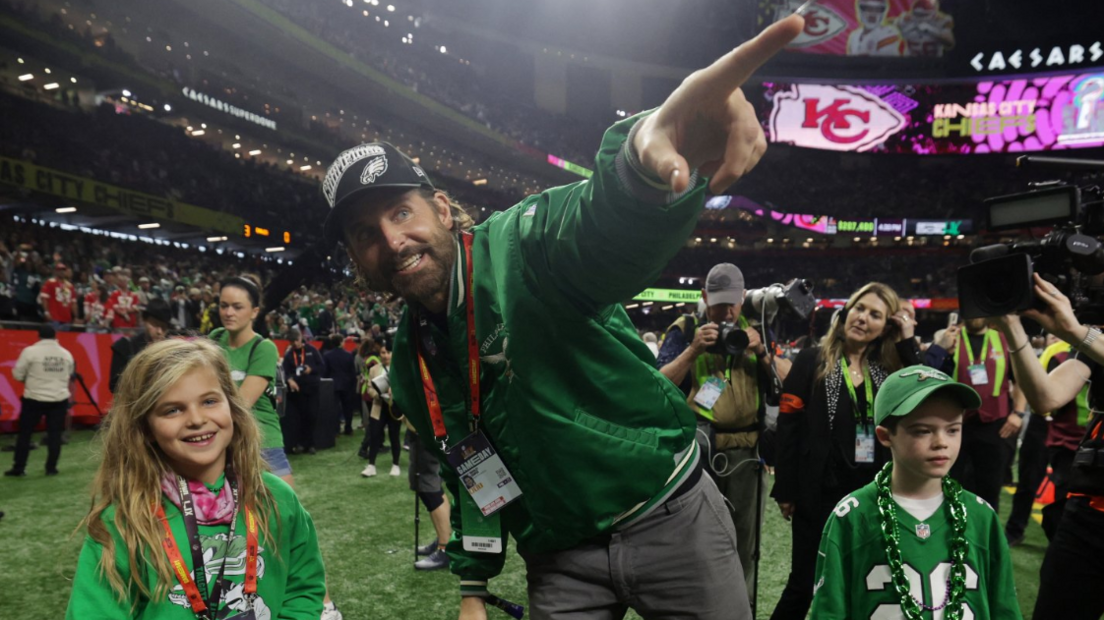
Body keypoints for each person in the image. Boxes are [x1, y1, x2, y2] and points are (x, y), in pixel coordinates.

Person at [320, 14, 807, 619]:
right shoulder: (409, 363)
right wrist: (473, 586)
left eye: (400, 212)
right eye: (365, 233)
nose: (391, 241)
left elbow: (597, 231)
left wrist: (643, 167)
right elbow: (469, 468)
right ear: (355, 258)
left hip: (669, 514)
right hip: (558, 559)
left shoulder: (522, 243)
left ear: (443, 210)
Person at [65, 339, 326, 618]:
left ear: (232, 407)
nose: (197, 419)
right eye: (172, 409)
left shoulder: (276, 497)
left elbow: (303, 589)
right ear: (145, 427)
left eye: (210, 401)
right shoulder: (125, 518)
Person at [809, 365, 1021, 619]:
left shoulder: (981, 516)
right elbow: (828, 611)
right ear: (885, 436)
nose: (942, 442)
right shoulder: (853, 517)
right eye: (923, 430)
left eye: (952, 429)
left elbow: (1005, 608)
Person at [771, 282, 922, 620]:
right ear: (845, 312)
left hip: (873, 495)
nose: (863, 318)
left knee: (865, 583)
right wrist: (786, 488)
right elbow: (789, 426)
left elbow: (925, 391)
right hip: (818, 492)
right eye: (859, 308)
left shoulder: (890, 369)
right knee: (803, 584)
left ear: (887, 326)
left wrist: (908, 340)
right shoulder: (812, 359)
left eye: (875, 315)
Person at [656, 262, 791, 601]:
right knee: (695, 540)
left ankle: (739, 609)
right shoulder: (687, 328)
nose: (727, 310)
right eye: (718, 302)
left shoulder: (756, 329)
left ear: (743, 297)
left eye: (732, 301)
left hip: (748, 453)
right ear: (704, 297)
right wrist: (693, 350)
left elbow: (791, 383)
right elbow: (655, 387)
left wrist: (761, 352)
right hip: (699, 451)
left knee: (744, 542)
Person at [989, 274, 1104, 619]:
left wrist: (1078, 331)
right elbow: (1046, 397)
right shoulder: (1096, 341)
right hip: (1089, 513)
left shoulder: (1092, 338)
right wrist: (1012, 328)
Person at [208, 275, 291, 483]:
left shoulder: (264, 348)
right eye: (224, 305)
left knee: (282, 510)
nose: (228, 313)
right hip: (223, 440)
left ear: (254, 311)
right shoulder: (215, 338)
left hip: (262, 440)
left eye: (237, 307)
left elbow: (241, 404)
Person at [943, 318, 1026, 511]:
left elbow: (1020, 378)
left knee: (990, 489)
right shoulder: (950, 339)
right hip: (955, 425)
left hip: (995, 426)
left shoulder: (1003, 340)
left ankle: (987, 538)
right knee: (951, 487)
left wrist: (1019, 413)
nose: (976, 316)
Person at [4, 325, 74, 477]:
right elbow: (69, 374)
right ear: (55, 336)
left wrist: (31, 380)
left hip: (34, 398)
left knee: (25, 434)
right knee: (55, 434)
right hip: (59, 398)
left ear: (39, 336)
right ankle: (51, 468)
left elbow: (18, 374)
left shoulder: (30, 351)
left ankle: (19, 467)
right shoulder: (66, 354)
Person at [408, 421, 453, 571]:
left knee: (427, 485)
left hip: (428, 428)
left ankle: (445, 547)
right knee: (433, 483)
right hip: (432, 428)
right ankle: (445, 538)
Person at [109, 297, 173, 393]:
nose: (160, 332)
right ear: (144, 319)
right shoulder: (125, 347)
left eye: (164, 327)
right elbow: (114, 387)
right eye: (155, 325)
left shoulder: (173, 351)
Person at [361, 342, 402, 477]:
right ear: (379, 354)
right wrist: (378, 394)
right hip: (378, 407)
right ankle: (371, 465)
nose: (386, 355)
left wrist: (394, 392)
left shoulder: (399, 368)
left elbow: (405, 388)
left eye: (388, 353)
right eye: (383, 353)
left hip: (394, 408)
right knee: (374, 436)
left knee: (394, 436)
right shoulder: (374, 369)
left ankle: (395, 465)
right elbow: (369, 388)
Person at [282, 328, 325, 455]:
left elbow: (322, 366)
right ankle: (300, 443)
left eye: (296, 340)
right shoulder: (289, 355)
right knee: (299, 418)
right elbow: (284, 372)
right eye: (292, 341)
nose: (295, 343)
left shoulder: (312, 350)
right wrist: (289, 380)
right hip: (297, 390)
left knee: (312, 415)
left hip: (312, 388)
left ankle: (310, 444)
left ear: (301, 338)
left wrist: (311, 369)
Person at [322, 334, 358, 436]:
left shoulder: (327, 355)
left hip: (333, 385)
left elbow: (325, 372)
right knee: (348, 408)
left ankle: (336, 429)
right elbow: (352, 372)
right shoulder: (349, 355)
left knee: (335, 408)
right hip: (347, 385)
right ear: (341, 342)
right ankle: (348, 428)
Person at [39, 263, 76, 331]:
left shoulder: (70, 286)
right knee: (54, 338)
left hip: (66, 318)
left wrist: (76, 317)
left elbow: (73, 302)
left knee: (64, 339)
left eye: (63, 270)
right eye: (59, 270)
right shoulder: (50, 282)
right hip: (54, 317)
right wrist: (46, 312)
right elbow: (44, 298)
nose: (62, 272)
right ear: (56, 272)